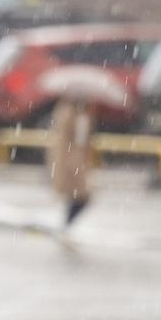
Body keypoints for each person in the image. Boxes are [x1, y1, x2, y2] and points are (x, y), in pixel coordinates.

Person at [48, 92, 97, 229]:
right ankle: (67, 224)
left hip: (71, 159)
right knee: (82, 196)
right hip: (73, 161)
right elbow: (76, 141)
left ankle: (66, 224)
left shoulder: (71, 112)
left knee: (76, 196)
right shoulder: (73, 115)